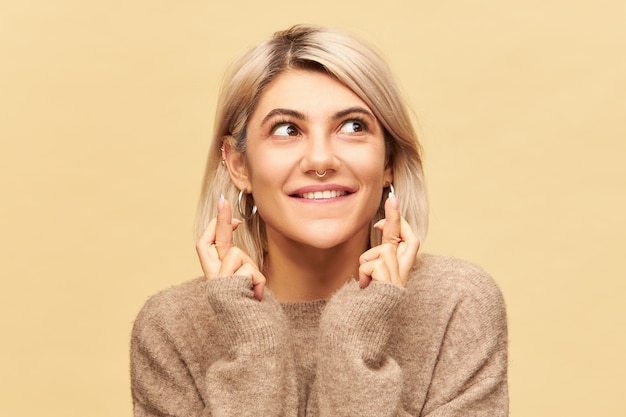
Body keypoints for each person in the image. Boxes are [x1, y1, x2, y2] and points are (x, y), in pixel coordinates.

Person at [130, 24, 508, 416]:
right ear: (239, 165)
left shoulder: (457, 304)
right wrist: (253, 342)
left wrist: (357, 332)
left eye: (352, 126)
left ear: (389, 161)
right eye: (287, 129)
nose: (321, 161)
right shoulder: (172, 328)